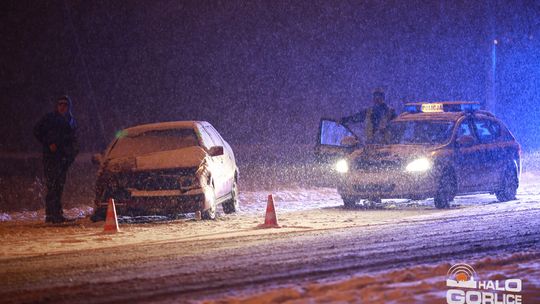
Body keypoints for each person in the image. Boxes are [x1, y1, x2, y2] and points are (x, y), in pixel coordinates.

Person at [34, 95, 79, 223]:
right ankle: (51, 215)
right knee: (52, 185)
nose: (62, 107)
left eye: (65, 104)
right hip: (51, 158)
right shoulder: (49, 118)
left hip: (64, 158)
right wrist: (49, 143)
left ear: (69, 106)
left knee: (59, 186)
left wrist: (72, 154)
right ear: (57, 106)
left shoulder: (71, 121)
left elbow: (73, 140)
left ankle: (57, 213)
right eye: (60, 104)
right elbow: (37, 131)